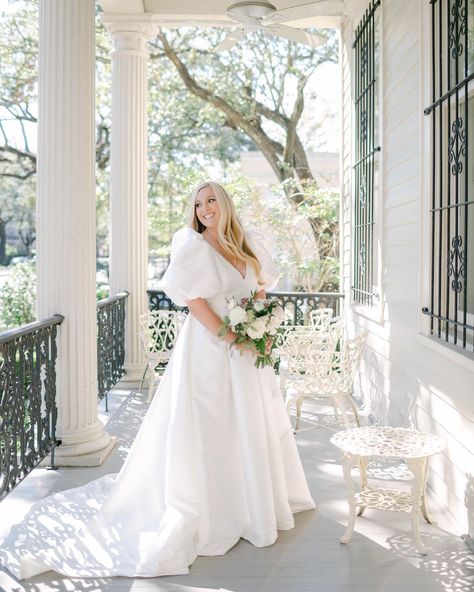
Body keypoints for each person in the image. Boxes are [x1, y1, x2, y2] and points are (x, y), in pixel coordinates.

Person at [0, 181, 315, 579]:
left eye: (211, 199)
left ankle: (253, 502)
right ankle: (214, 507)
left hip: (248, 355)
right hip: (210, 349)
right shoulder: (193, 247)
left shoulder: (248, 245)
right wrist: (233, 336)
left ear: (225, 203)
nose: (204, 208)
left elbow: (258, 292)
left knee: (248, 423)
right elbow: (196, 302)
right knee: (211, 425)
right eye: (198, 203)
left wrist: (262, 329)